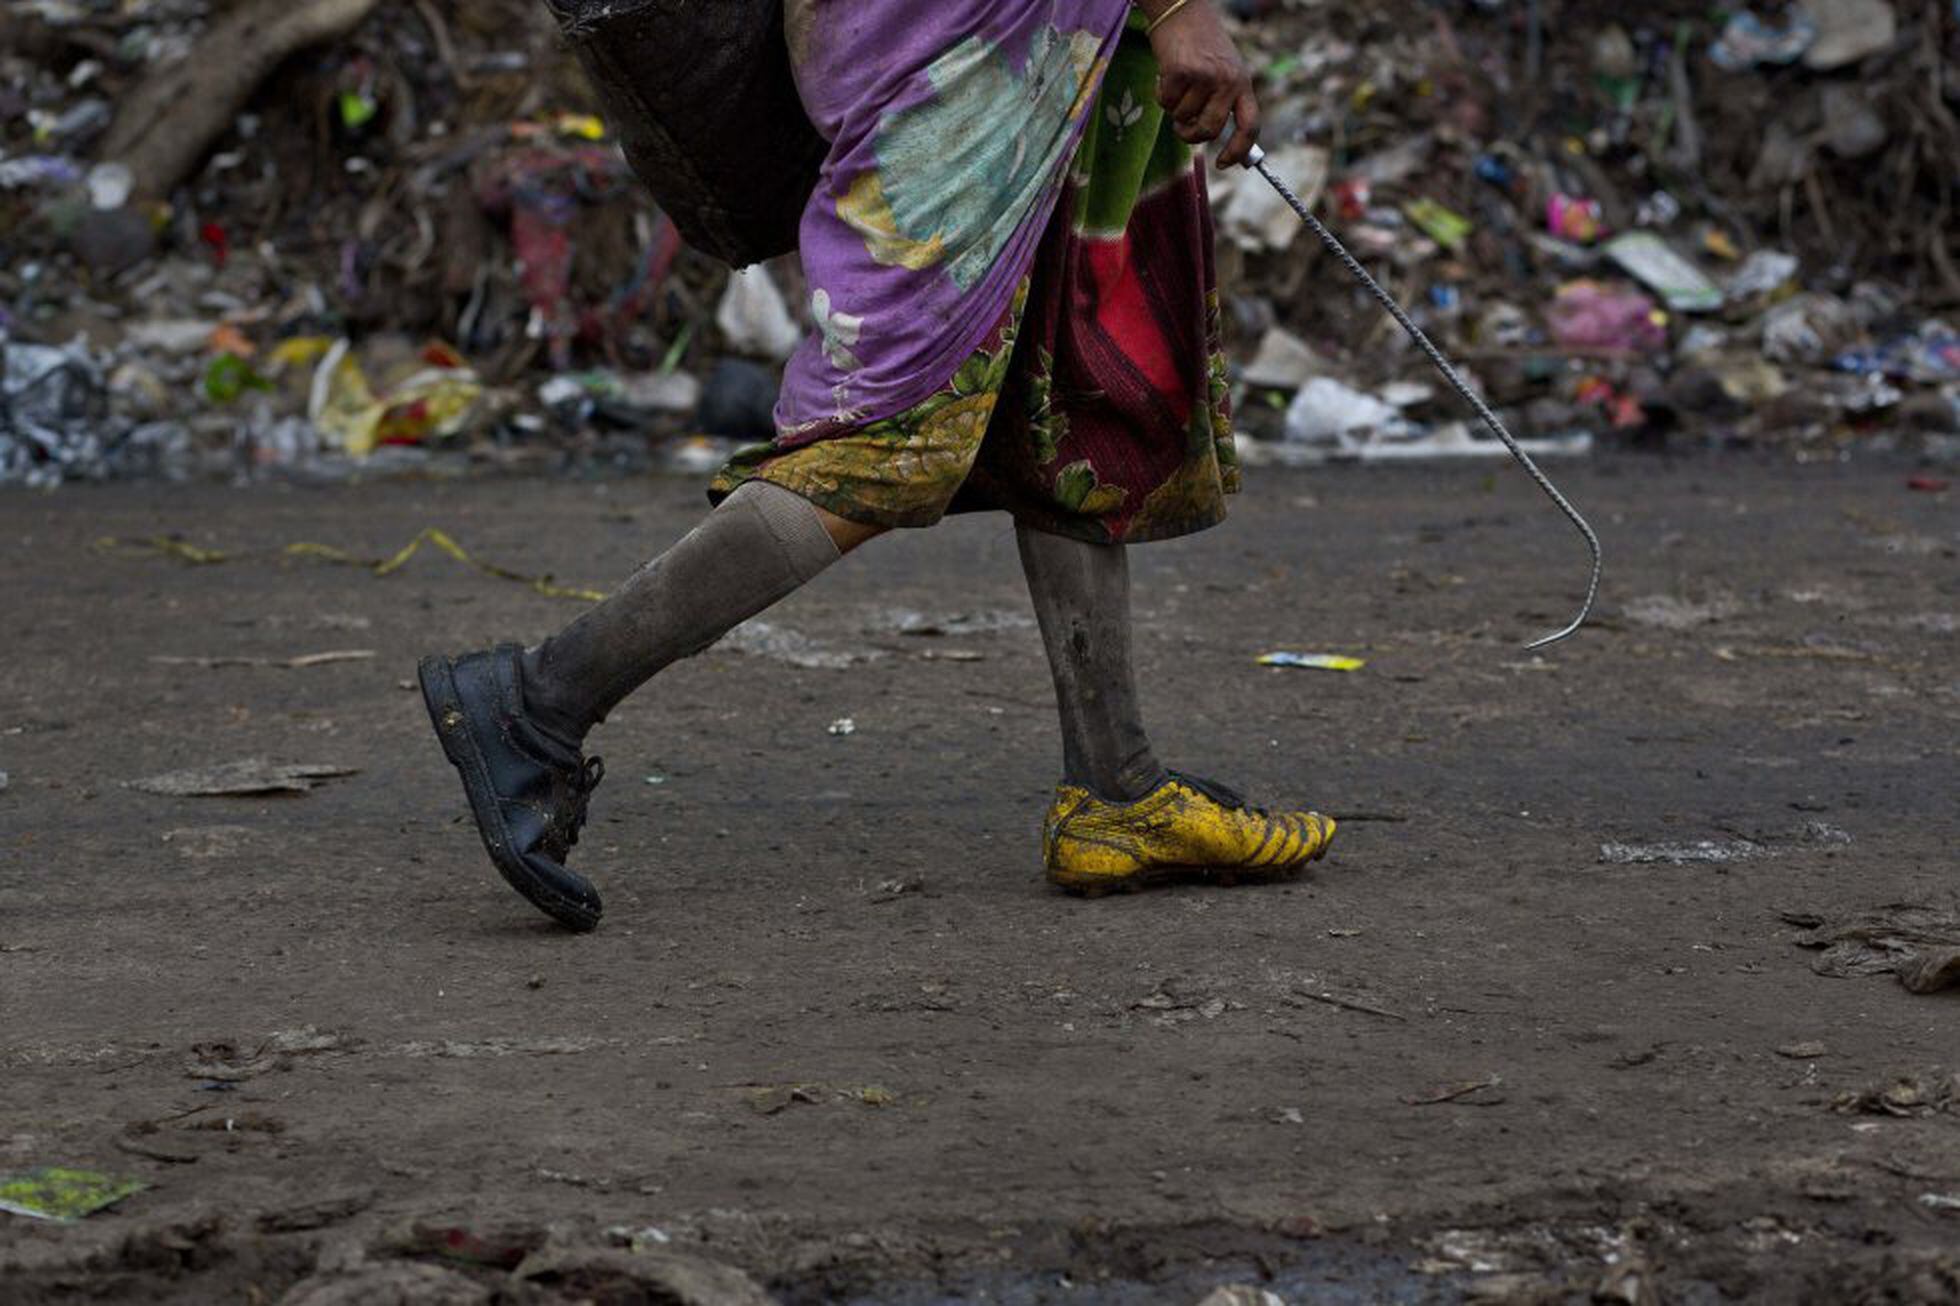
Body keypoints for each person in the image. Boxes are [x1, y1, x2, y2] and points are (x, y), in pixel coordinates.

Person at [418, 0, 1335, 932]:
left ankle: (1117, 785)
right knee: (888, 434)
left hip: (1006, 38)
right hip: (971, 40)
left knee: (1063, 389)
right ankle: (537, 700)